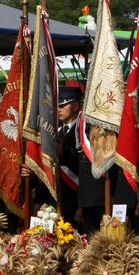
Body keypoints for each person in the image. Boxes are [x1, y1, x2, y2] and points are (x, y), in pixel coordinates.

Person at [57, 84, 82, 227]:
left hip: (75, 199)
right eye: (58, 106)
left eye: (63, 105)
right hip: (58, 200)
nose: (59, 109)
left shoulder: (82, 131)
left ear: (76, 106)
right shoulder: (57, 131)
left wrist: (82, 205)